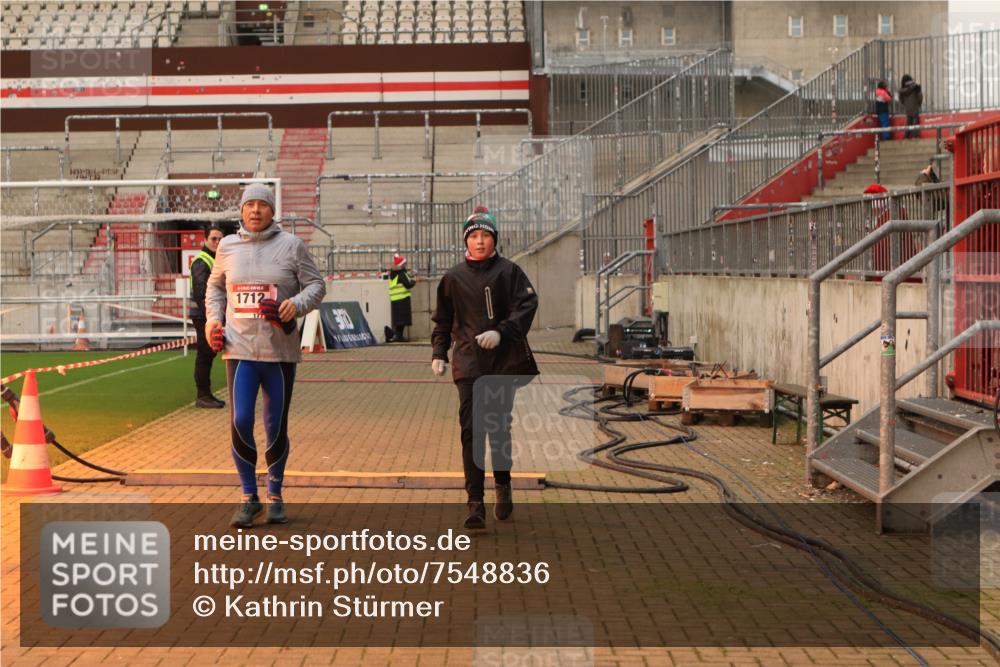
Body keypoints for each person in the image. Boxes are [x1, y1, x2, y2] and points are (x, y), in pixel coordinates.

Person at [205, 183, 327, 528]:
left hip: (279, 352)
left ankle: (275, 494)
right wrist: (213, 320)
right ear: (241, 211)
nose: (255, 210)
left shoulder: (292, 245)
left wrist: (296, 304)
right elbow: (214, 287)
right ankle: (249, 496)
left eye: (262, 205)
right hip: (239, 350)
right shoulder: (227, 246)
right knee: (240, 420)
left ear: (273, 211)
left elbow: (317, 285)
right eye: (249, 205)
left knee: (275, 424)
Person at [431, 205, 539, 530]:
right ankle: (475, 502)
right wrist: (439, 352)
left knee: (498, 427)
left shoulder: (510, 272)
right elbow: (443, 320)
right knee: (471, 430)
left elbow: (527, 304)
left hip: (502, 363)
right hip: (468, 363)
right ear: (466, 240)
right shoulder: (453, 278)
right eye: (474, 235)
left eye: (485, 235)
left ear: (494, 239)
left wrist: (502, 331)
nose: (480, 241)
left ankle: (503, 484)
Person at [190, 224, 226, 409]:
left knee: (209, 353)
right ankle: (203, 395)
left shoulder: (215, 259)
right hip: (204, 315)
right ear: (205, 240)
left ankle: (205, 394)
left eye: (220, 239)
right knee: (205, 353)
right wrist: (212, 317)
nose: (217, 242)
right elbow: (201, 293)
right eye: (213, 239)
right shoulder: (202, 261)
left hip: (210, 314)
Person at [385, 253, 415, 343]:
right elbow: (408, 284)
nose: (406, 265)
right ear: (401, 265)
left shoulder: (395, 274)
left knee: (399, 321)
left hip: (396, 300)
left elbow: (406, 278)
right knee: (402, 320)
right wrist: (415, 281)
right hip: (402, 299)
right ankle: (397, 336)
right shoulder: (401, 274)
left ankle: (398, 336)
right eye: (404, 264)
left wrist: (411, 276)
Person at [898, 74, 923, 139]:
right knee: (915, 123)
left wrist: (905, 104)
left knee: (908, 123)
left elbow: (901, 100)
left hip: (907, 109)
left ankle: (907, 136)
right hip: (915, 108)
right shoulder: (915, 88)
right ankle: (914, 136)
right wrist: (919, 103)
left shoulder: (902, 90)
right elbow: (920, 97)